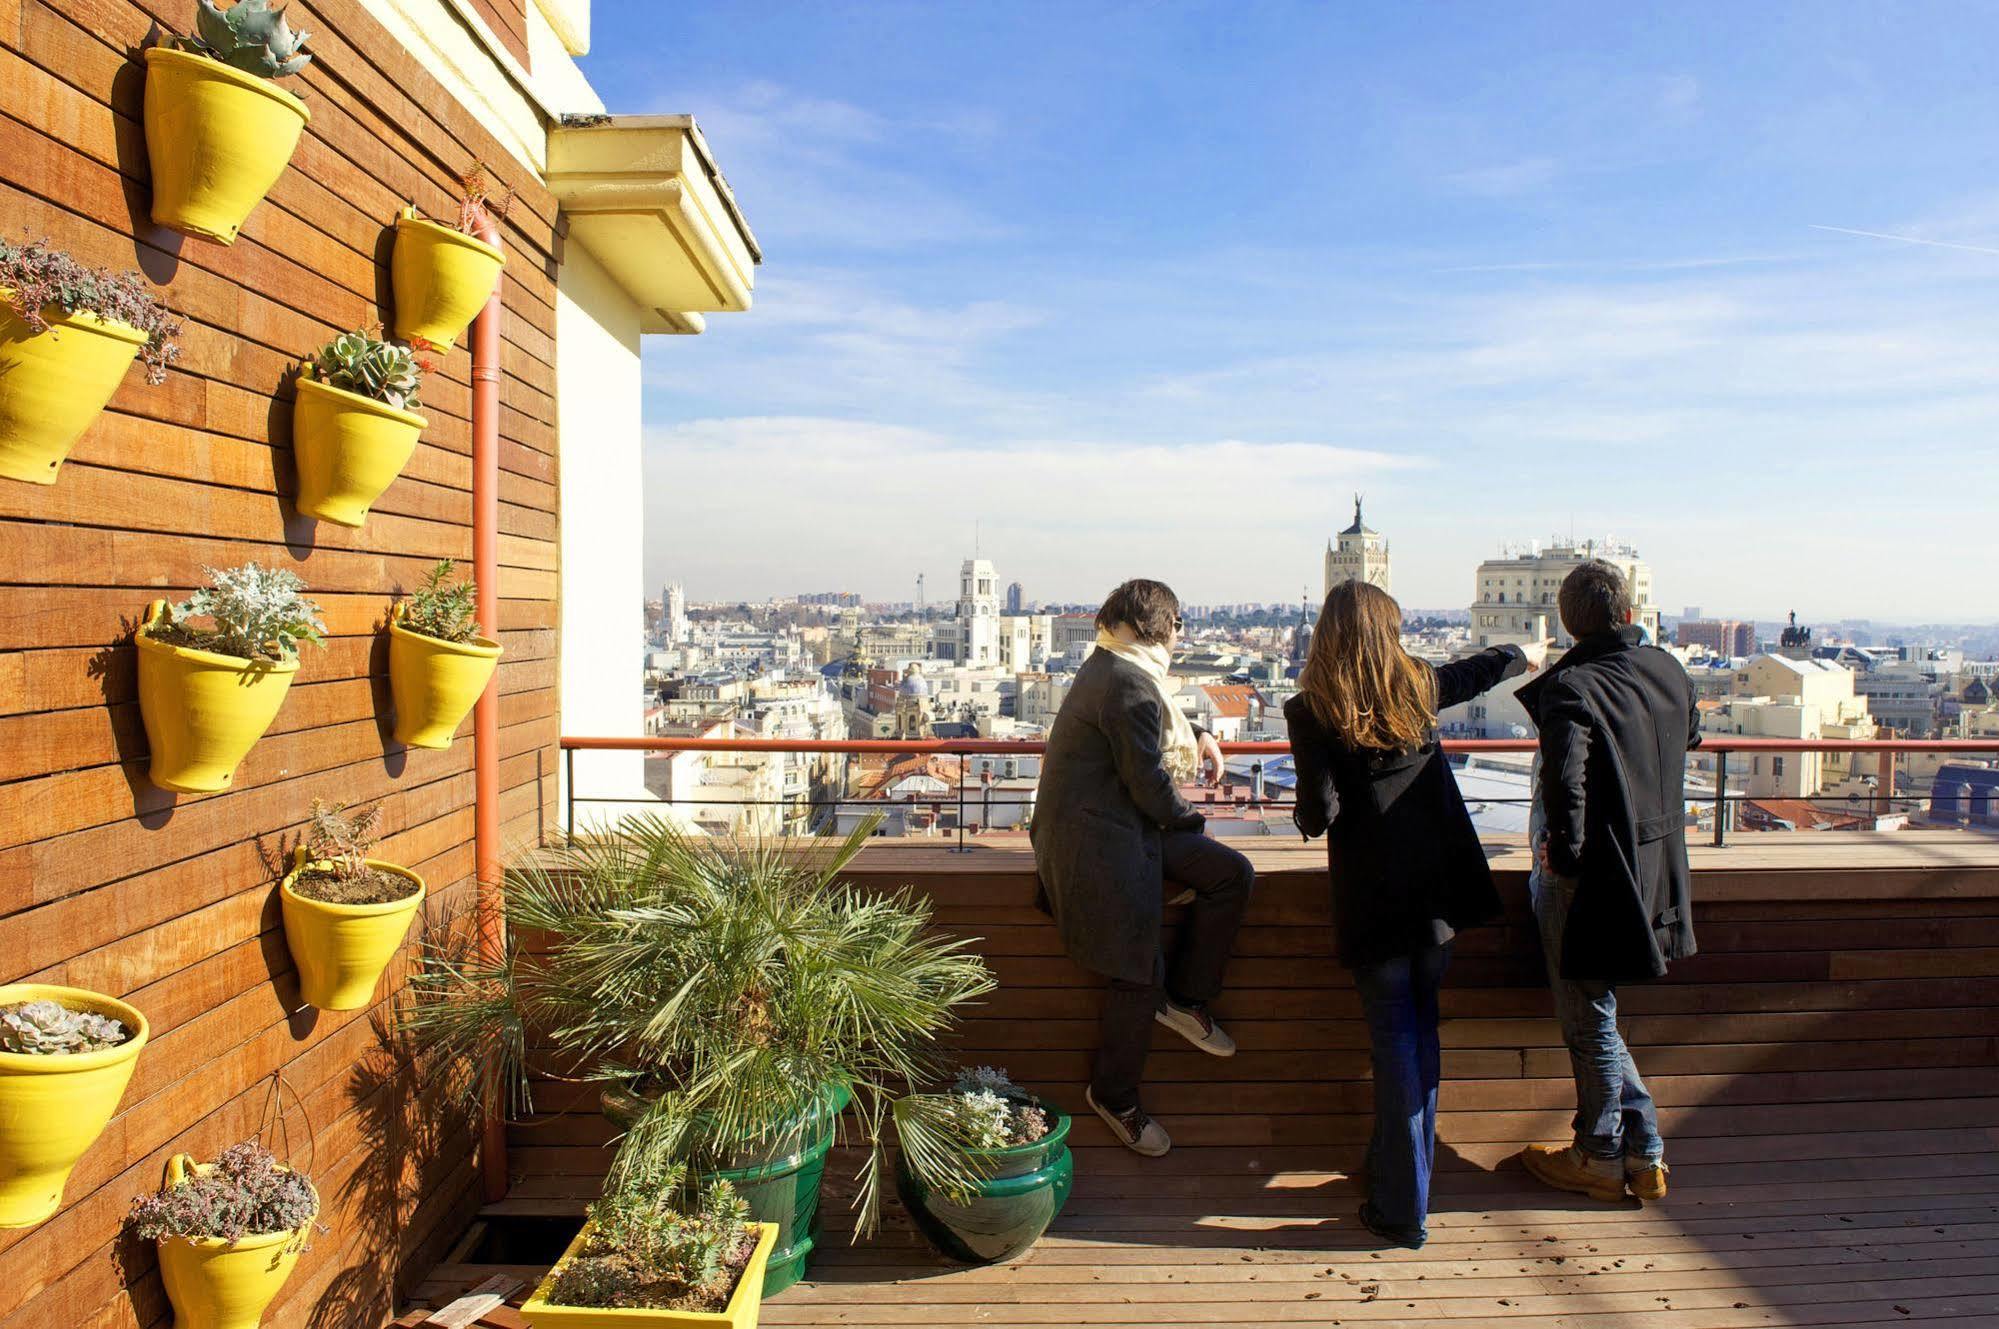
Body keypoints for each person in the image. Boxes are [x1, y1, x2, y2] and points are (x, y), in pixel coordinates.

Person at [1284, 581, 1548, 1248]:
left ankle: (1402, 1204)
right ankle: (1402, 1175)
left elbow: (1318, 814)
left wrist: (1308, 808)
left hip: (1373, 896)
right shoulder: (1417, 685)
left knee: (1394, 1038)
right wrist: (1520, 652)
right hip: (1436, 891)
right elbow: (1478, 669)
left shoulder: (1309, 707)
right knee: (1421, 1032)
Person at [1032, 578, 1255, 1156]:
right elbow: (1151, 783)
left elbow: (1148, 728)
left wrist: (1199, 732)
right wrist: (1192, 825)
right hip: (1099, 843)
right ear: (1156, 628)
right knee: (1141, 968)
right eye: (1176, 626)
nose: (1179, 639)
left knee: (1226, 877)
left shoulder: (1113, 665)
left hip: (1108, 826)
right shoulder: (1128, 681)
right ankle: (1115, 1095)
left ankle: (1181, 1001)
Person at [1513, 560, 1700, 1204]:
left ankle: (1598, 1154)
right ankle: (1643, 1150)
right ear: (1629, 613)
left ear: (1567, 623)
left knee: (1587, 1015)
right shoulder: (1669, 671)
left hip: (1593, 873)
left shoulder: (1574, 687)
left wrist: (1558, 861)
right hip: (1658, 867)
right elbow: (1690, 736)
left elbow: (1564, 785)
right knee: (1601, 1013)